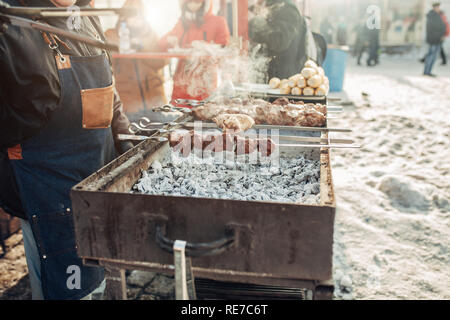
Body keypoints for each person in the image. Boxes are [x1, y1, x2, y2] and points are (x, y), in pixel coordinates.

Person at [0, 0, 133, 300]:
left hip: (97, 182)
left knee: (101, 282)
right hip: (45, 191)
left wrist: (125, 139)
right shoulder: (12, 20)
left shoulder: (86, 15)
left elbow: (108, 91)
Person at [105, 0, 169, 121]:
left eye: (139, 14)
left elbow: (161, 62)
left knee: (160, 136)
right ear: (123, 15)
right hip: (128, 104)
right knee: (133, 137)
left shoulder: (151, 35)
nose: (136, 18)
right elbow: (106, 61)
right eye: (132, 14)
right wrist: (121, 45)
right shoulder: (111, 34)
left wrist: (142, 46)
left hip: (155, 101)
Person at [159, 0, 230, 104]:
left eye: (197, 2)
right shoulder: (182, 22)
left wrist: (205, 48)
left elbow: (223, 47)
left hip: (205, 76)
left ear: (204, 3)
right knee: (180, 113)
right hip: (182, 77)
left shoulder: (218, 21)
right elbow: (161, 43)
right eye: (189, 2)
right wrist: (169, 40)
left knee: (203, 112)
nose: (193, 5)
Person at [248, 0, 319, 80]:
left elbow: (280, 40)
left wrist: (254, 23)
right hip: (270, 75)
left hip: (283, 77)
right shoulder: (272, 6)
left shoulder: (287, 8)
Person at [423, 2, 447, 77]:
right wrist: (441, 35)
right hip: (434, 39)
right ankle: (427, 72)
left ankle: (428, 71)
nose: (438, 8)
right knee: (431, 55)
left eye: (439, 7)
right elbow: (435, 28)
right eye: (437, 7)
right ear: (434, 7)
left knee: (433, 56)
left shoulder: (437, 15)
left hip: (437, 39)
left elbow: (442, 25)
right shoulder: (433, 16)